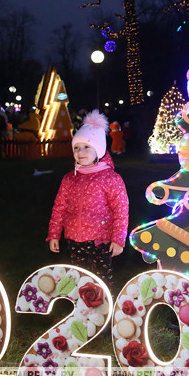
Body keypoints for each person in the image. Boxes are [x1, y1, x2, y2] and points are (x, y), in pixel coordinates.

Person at [46, 110, 128, 288]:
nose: (80, 152)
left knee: (101, 279)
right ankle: (84, 309)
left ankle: (104, 309)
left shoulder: (110, 178)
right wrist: (54, 234)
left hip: (100, 240)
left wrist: (118, 239)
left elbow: (121, 209)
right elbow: (59, 207)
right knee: (79, 278)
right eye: (76, 147)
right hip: (74, 238)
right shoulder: (70, 178)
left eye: (86, 147)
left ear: (98, 149)